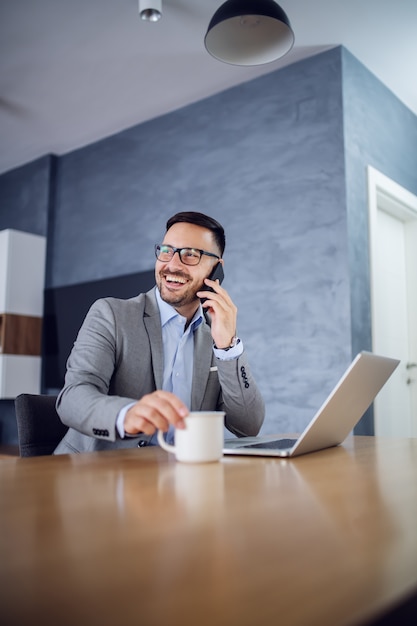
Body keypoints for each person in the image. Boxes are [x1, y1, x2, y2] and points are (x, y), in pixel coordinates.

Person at [54, 211, 265, 454]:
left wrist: (227, 347)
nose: (172, 265)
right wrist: (126, 415)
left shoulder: (215, 336)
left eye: (190, 255)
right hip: (94, 472)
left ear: (217, 269)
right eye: (166, 251)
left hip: (175, 478)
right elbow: (72, 397)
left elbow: (248, 426)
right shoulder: (111, 314)